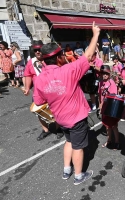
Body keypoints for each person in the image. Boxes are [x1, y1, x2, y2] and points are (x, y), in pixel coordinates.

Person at [33, 22, 100, 185]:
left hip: (60, 119)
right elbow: (88, 55)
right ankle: (78, 176)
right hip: (75, 118)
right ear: (58, 57)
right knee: (78, 146)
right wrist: (96, 35)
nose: (64, 56)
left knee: (68, 141)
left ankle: (66, 170)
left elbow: (38, 101)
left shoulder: (39, 79)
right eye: (62, 54)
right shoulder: (68, 70)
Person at [23, 40, 59, 140]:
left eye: (39, 50)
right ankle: (45, 129)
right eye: (35, 50)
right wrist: (27, 88)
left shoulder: (49, 60)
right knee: (39, 112)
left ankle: (58, 128)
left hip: (51, 91)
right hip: (38, 92)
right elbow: (28, 75)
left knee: (55, 110)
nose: (38, 52)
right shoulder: (31, 62)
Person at [98, 65, 120, 150]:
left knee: (114, 126)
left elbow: (113, 97)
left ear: (109, 74)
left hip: (111, 107)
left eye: (106, 73)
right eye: (103, 73)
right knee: (107, 126)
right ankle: (109, 140)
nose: (104, 75)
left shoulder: (112, 83)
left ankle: (117, 142)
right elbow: (100, 95)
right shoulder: (100, 83)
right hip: (104, 107)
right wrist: (100, 105)